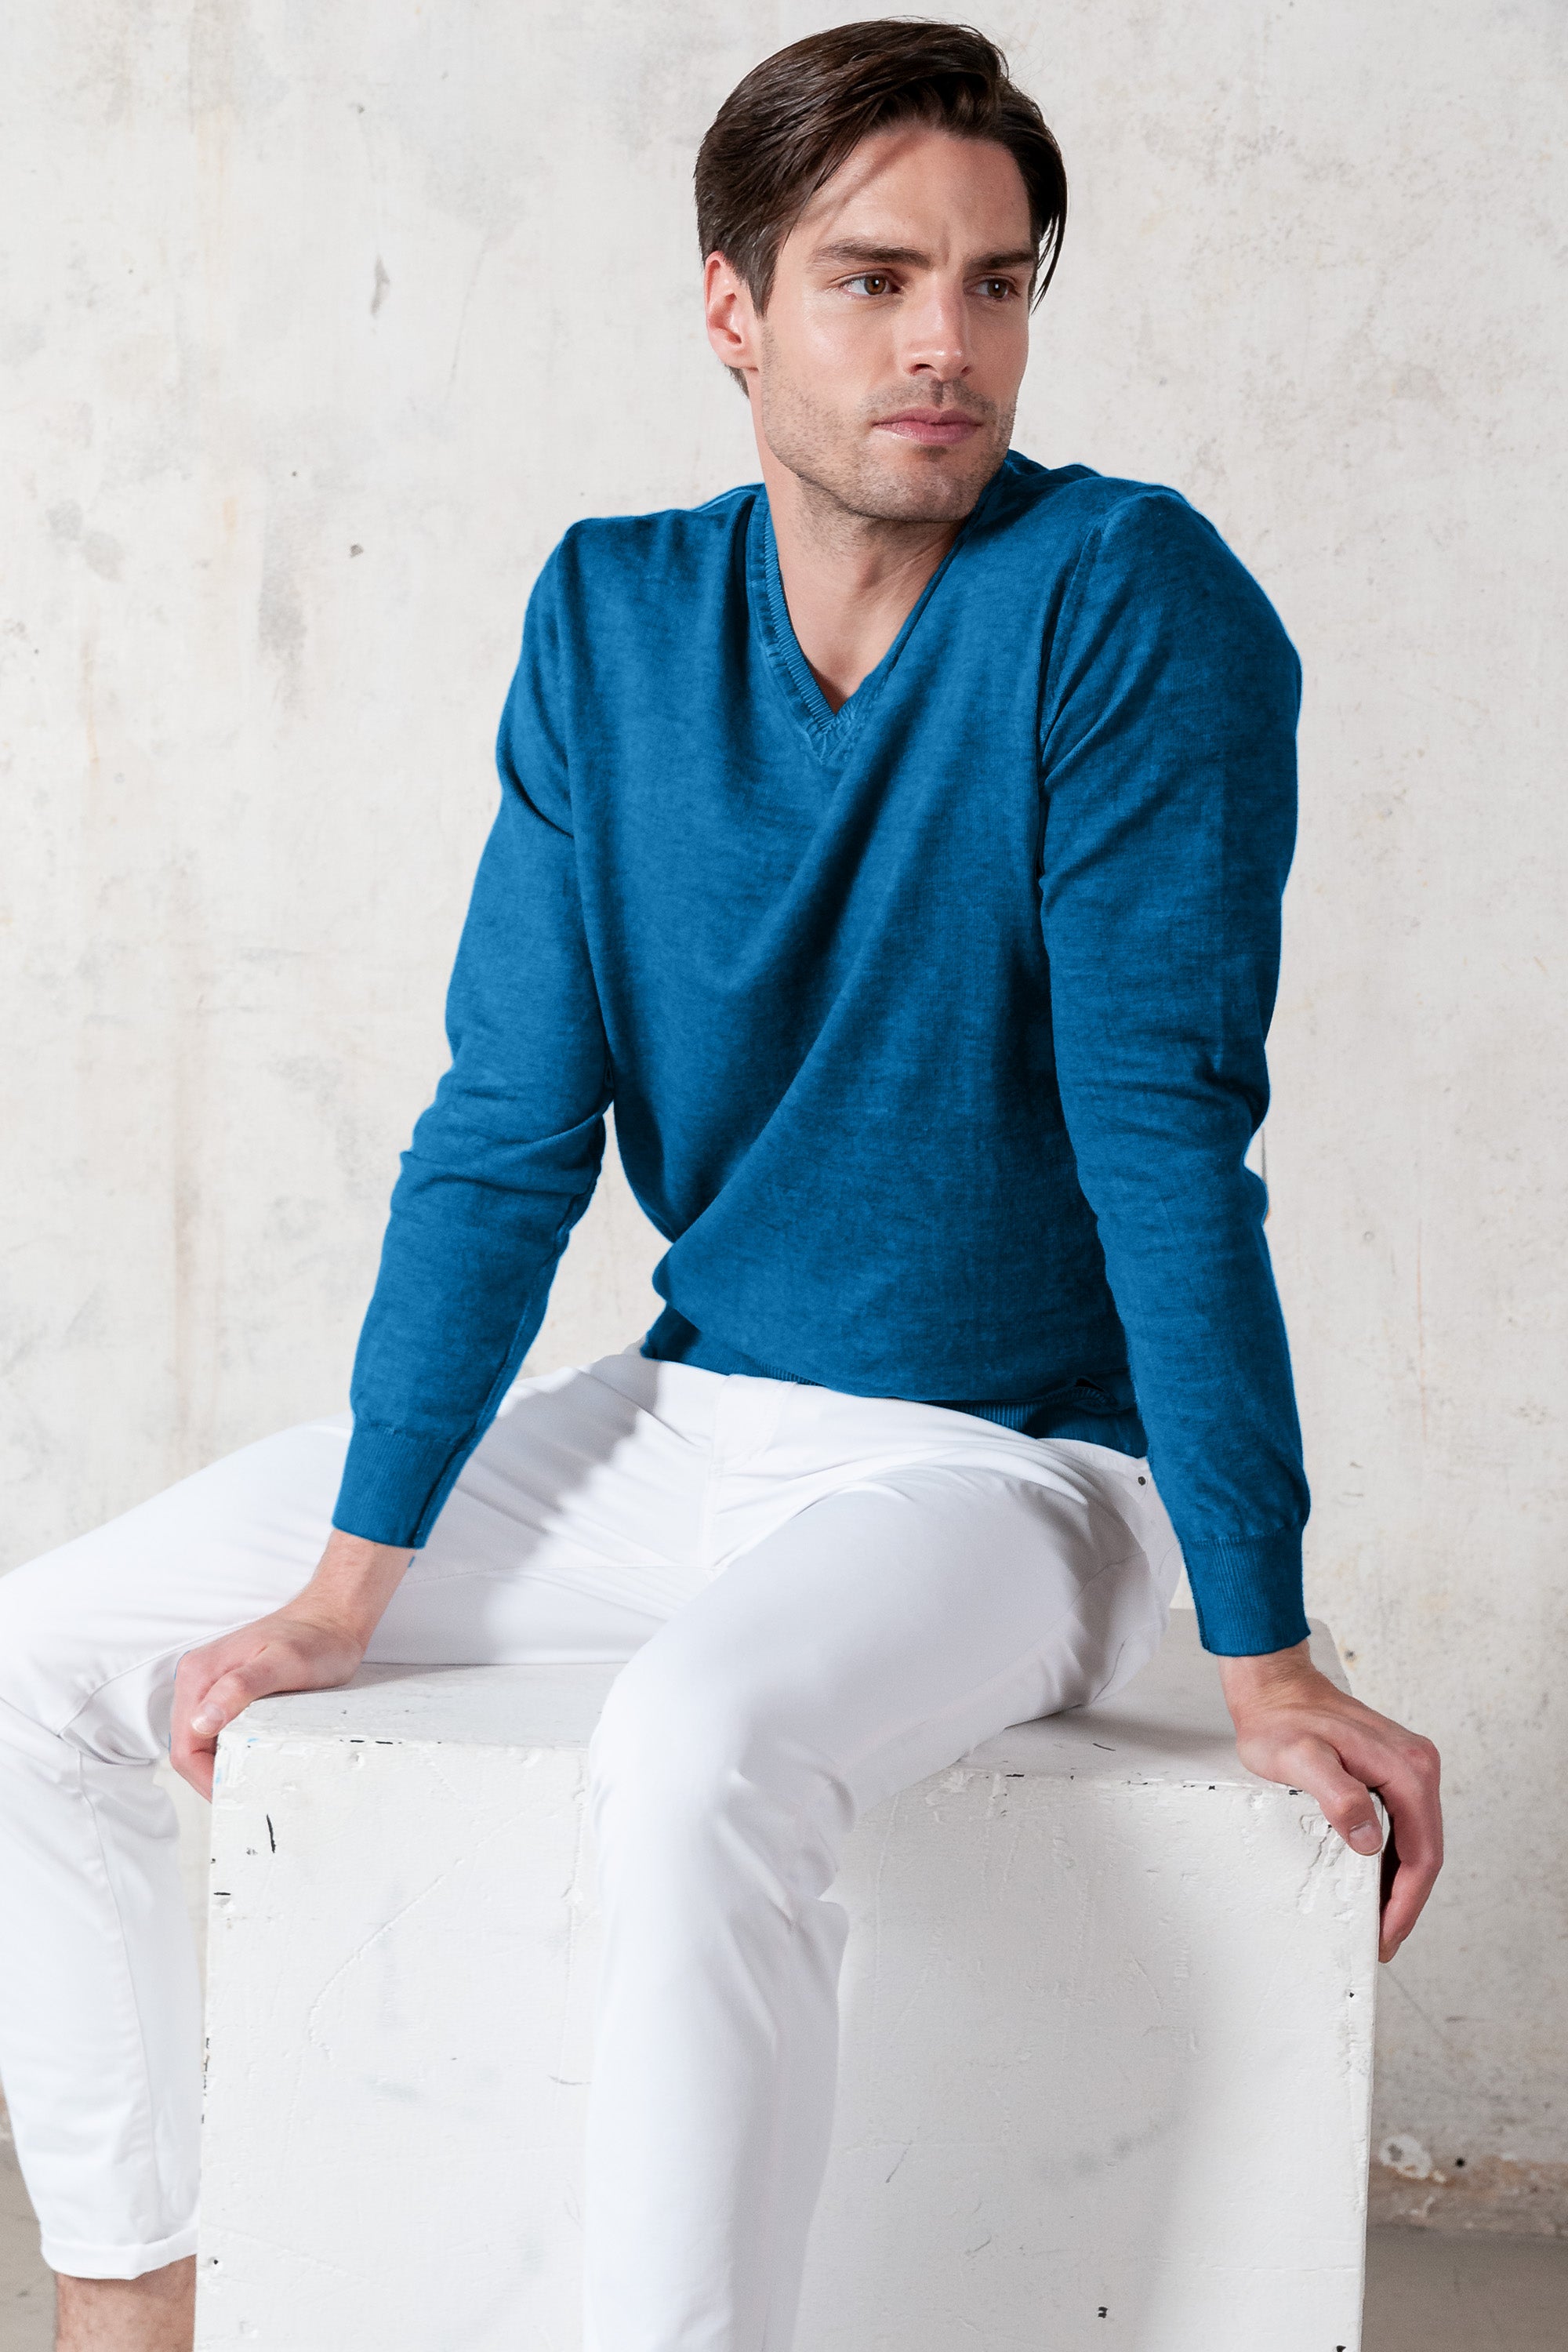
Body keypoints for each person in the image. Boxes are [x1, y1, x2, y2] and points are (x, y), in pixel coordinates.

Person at [0, 21, 1443, 2352]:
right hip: (694, 1420)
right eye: (874, 278)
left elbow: (1169, 1136)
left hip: (1012, 1470)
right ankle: (132, 2304)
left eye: (993, 282)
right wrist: (352, 1585)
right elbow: (504, 1132)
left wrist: (1263, 1654)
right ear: (733, 308)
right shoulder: (611, 619)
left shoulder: (1123, 601)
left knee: (693, 1754)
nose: (944, 343)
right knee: (42, 1656)